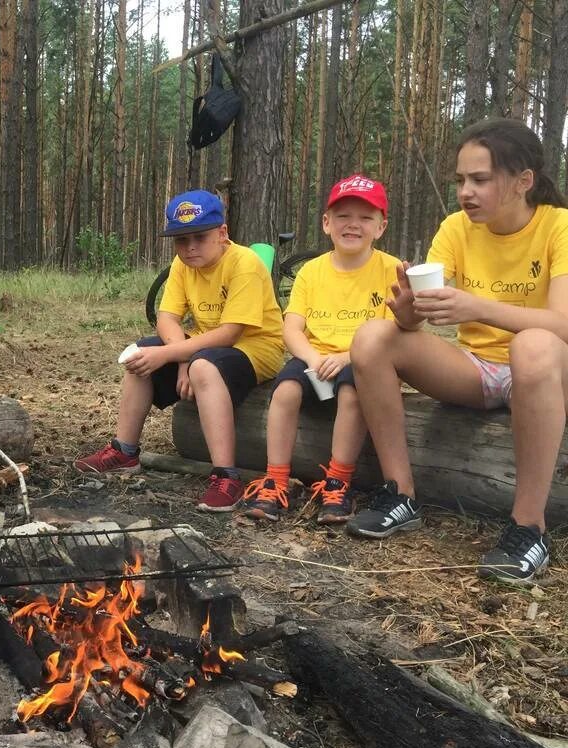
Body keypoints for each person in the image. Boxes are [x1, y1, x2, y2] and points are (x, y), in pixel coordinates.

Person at [348, 118, 568, 583]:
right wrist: (407, 309)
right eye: (461, 180)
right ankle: (400, 494)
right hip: (478, 371)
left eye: (481, 179)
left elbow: (562, 325)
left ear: (523, 181)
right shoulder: (456, 228)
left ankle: (528, 527)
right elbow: (414, 322)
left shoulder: (558, 227)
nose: (466, 191)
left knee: (533, 345)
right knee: (372, 338)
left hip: (548, 371)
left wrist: (478, 306)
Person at [75, 189, 284, 511]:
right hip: (203, 346)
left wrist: (182, 357)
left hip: (256, 347)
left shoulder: (245, 263)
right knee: (139, 355)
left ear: (222, 233)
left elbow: (230, 333)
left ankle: (227, 476)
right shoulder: (182, 264)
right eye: (180, 240)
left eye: (200, 237)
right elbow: (167, 318)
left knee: (203, 366)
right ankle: (124, 451)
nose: (190, 247)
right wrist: (181, 356)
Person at [241, 175, 399, 524]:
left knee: (352, 395)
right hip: (315, 358)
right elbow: (292, 327)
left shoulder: (391, 269)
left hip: (361, 361)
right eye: (343, 216)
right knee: (284, 392)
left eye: (365, 217)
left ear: (381, 226)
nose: (353, 224)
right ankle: (275, 481)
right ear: (327, 223)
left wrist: (347, 357)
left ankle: (337, 483)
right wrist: (311, 357)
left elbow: (392, 331)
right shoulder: (311, 272)